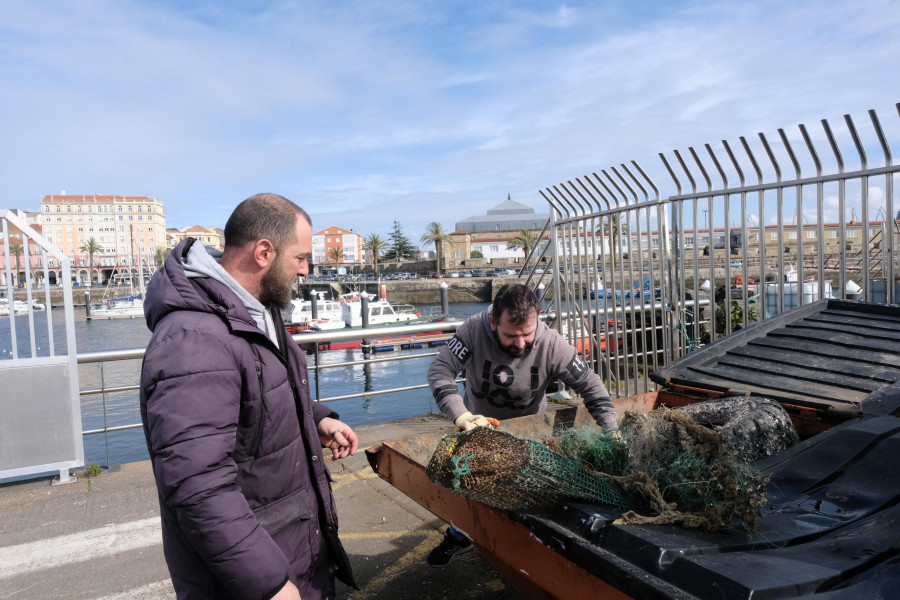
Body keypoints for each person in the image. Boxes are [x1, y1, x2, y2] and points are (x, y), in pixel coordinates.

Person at [140, 194, 357, 600]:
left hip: (291, 548)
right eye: (300, 257)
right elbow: (196, 482)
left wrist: (316, 418)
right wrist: (269, 583)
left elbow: (260, 397)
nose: (306, 270)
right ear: (263, 252)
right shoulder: (193, 340)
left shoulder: (257, 311)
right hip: (248, 578)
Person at [425, 283, 618, 567]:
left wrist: (611, 430)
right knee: (472, 489)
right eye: (511, 336)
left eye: (527, 334)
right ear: (493, 321)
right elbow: (440, 371)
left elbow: (590, 385)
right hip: (479, 428)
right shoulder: (473, 331)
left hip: (529, 431)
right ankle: (459, 535)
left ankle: (530, 550)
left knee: (527, 495)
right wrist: (461, 415)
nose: (520, 343)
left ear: (537, 319)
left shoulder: (552, 344)